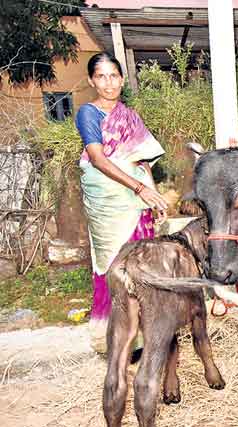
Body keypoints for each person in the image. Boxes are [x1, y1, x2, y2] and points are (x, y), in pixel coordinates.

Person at [75, 52, 169, 353]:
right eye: (101, 76)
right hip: (108, 202)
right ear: (91, 81)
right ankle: (116, 339)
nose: (108, 83)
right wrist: (139, 188)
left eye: (114, 76)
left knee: (140, 266)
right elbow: (98, 159)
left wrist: (153, 196)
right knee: (115, 267)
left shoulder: (130, 116)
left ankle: (141, 338)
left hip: (136, 199)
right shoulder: (88, 113)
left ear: (122, 79)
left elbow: (142, 162)